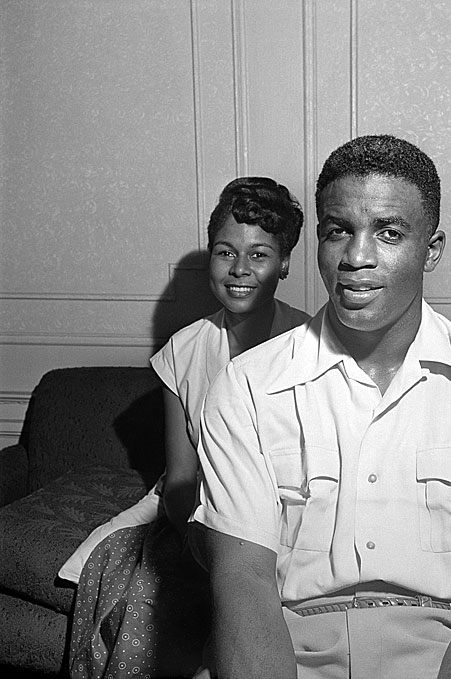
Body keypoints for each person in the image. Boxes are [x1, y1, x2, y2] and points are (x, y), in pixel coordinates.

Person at [189, 135, 451, 679]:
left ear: (431, 250)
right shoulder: (246, 386)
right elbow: (243, 584)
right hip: (289, 652)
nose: (357, 257)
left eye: (388, 232)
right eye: (338, 230)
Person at [62, 177, 310, 678]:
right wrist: (206, 547)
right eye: (225, 252)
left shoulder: (313, 343)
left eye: (259, 255)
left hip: (299, 517)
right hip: (205, 514)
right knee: (149, 596)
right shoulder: (184, 350)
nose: (239, 269)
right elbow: (179, 479)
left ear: (284, 264)